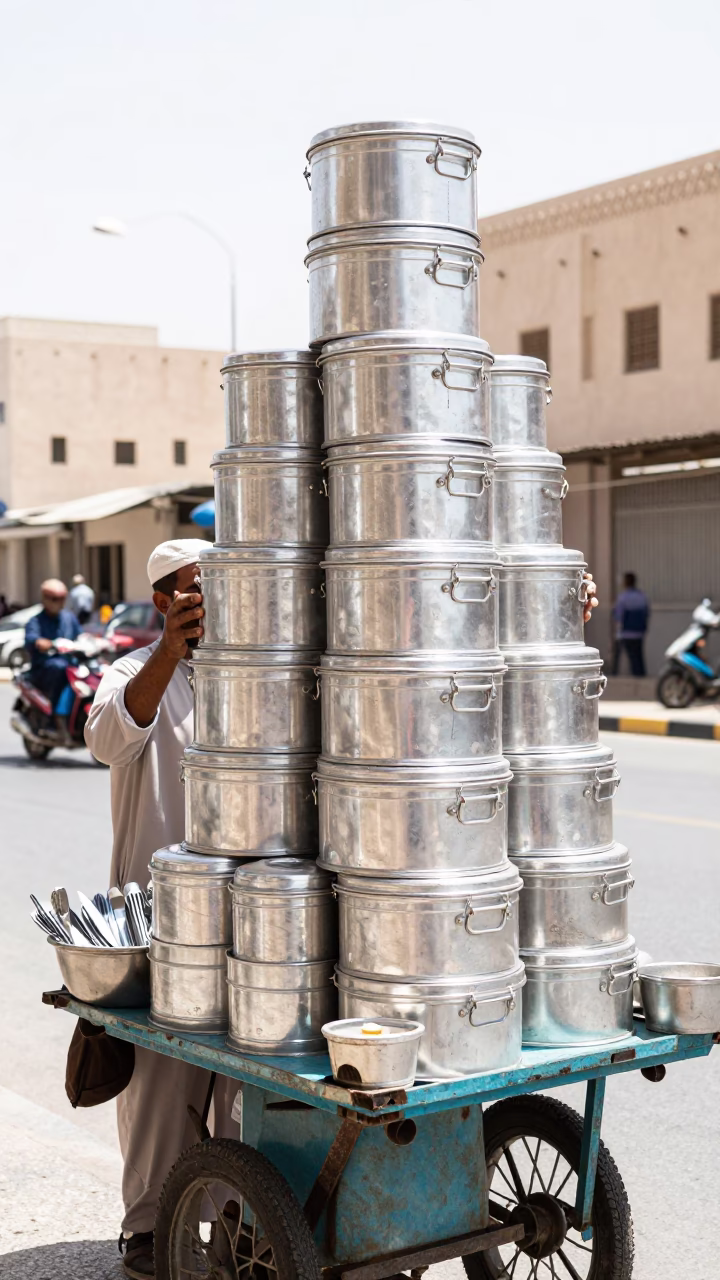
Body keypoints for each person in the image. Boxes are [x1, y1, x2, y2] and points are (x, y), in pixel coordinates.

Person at [84, 539, 235, 1280]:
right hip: (156, 919)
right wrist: (170, 654)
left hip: (251, 916)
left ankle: (241, 1219)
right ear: (162, 602)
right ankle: (149, 1227)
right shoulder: (133, 673)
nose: (207, 604)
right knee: (160, 1085)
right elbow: (109, 736)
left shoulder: (253, 671)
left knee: (247, 1081)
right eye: (193, 592)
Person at [25, 579, 81, 739]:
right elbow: (32, 639)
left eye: (63, 599)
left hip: (71, 664)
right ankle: (52, 718)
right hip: (45, 668)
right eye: (56, 599)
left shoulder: (69, 618)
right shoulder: (35, 621)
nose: (60, 603)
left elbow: (81, 634)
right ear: (45, 599)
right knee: (59, 667)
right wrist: (45, 643)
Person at [612, 572, 650, 677]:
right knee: (638, 656)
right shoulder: (641, 596)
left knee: (621, 655)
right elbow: (646, 613)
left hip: (626, 632)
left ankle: (615, 674)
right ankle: (640, 676)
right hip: (639, 632)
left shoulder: (623, 597)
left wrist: (618, 630)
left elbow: (618, 616)